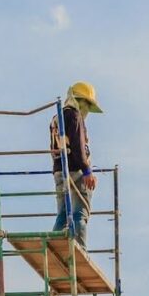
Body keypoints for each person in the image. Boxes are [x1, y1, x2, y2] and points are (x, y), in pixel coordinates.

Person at [50, 81, 103, 247]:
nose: (87, 110)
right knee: (80, 213)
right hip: (76, 170)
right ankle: (80, 249)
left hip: (59, 171)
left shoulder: (56, 118)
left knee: (63, 214)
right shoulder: (74, 115)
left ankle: (55, 246)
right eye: (87, 104)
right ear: (79, 101)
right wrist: (87, 170)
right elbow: (78, 145)